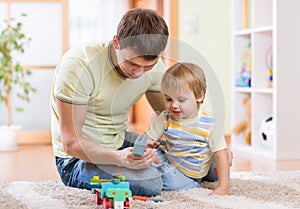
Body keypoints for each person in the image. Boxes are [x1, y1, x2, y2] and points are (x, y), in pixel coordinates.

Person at [51, 8, 169, 197]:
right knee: (150, 183)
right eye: (133, 64)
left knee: (206, 162)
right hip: (76, 159)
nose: (138, 73)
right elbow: (71, 143)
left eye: (148, 67)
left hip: (118, 140)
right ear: (116, 42)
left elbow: (171, 114)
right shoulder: (79, 65)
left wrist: (212, 145)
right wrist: (119, 159)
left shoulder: (155, 66)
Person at [146, 62, 230, 195]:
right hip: (171, 160)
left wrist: (223, 187)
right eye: (168, 99)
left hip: (190, 172)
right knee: (151, 153)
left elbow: (221, 155)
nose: (173, 105)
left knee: (168, 180)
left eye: (181, 100)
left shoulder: (210, 125)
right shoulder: (166, 117)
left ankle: (192, 183)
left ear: (199, 96)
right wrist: (148, 146)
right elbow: (148, 139)